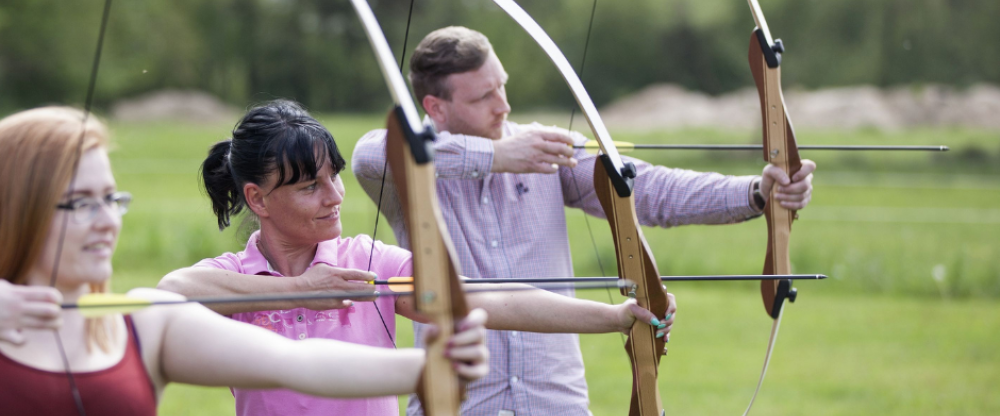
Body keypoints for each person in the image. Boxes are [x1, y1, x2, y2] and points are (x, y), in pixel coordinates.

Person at [351, 26, 817, 415]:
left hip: (555, 400)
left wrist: (756, 193)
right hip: (457, 400)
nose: (504, 105)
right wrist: (494, 156)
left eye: (503, 85)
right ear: (436, 108)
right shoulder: (407, 167)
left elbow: (649, 190)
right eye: (484, 96)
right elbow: (369, 151)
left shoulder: (543, 150)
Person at [157, 100, 675, 416]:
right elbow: (170, 294)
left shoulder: (369, 262)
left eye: (333, 177)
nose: (334, 196)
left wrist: (612, 316)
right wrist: (299, 288)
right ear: (256, 199)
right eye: (310, 186)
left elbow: (486, 298)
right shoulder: (232, 278)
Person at [0, 106, 489, 416]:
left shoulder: (142, 324)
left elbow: (298, 364)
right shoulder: (205, 287)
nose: (109, 221)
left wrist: (429, 367)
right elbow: (181, 286)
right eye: (83, 203)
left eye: (113, 199)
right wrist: (300, 290)